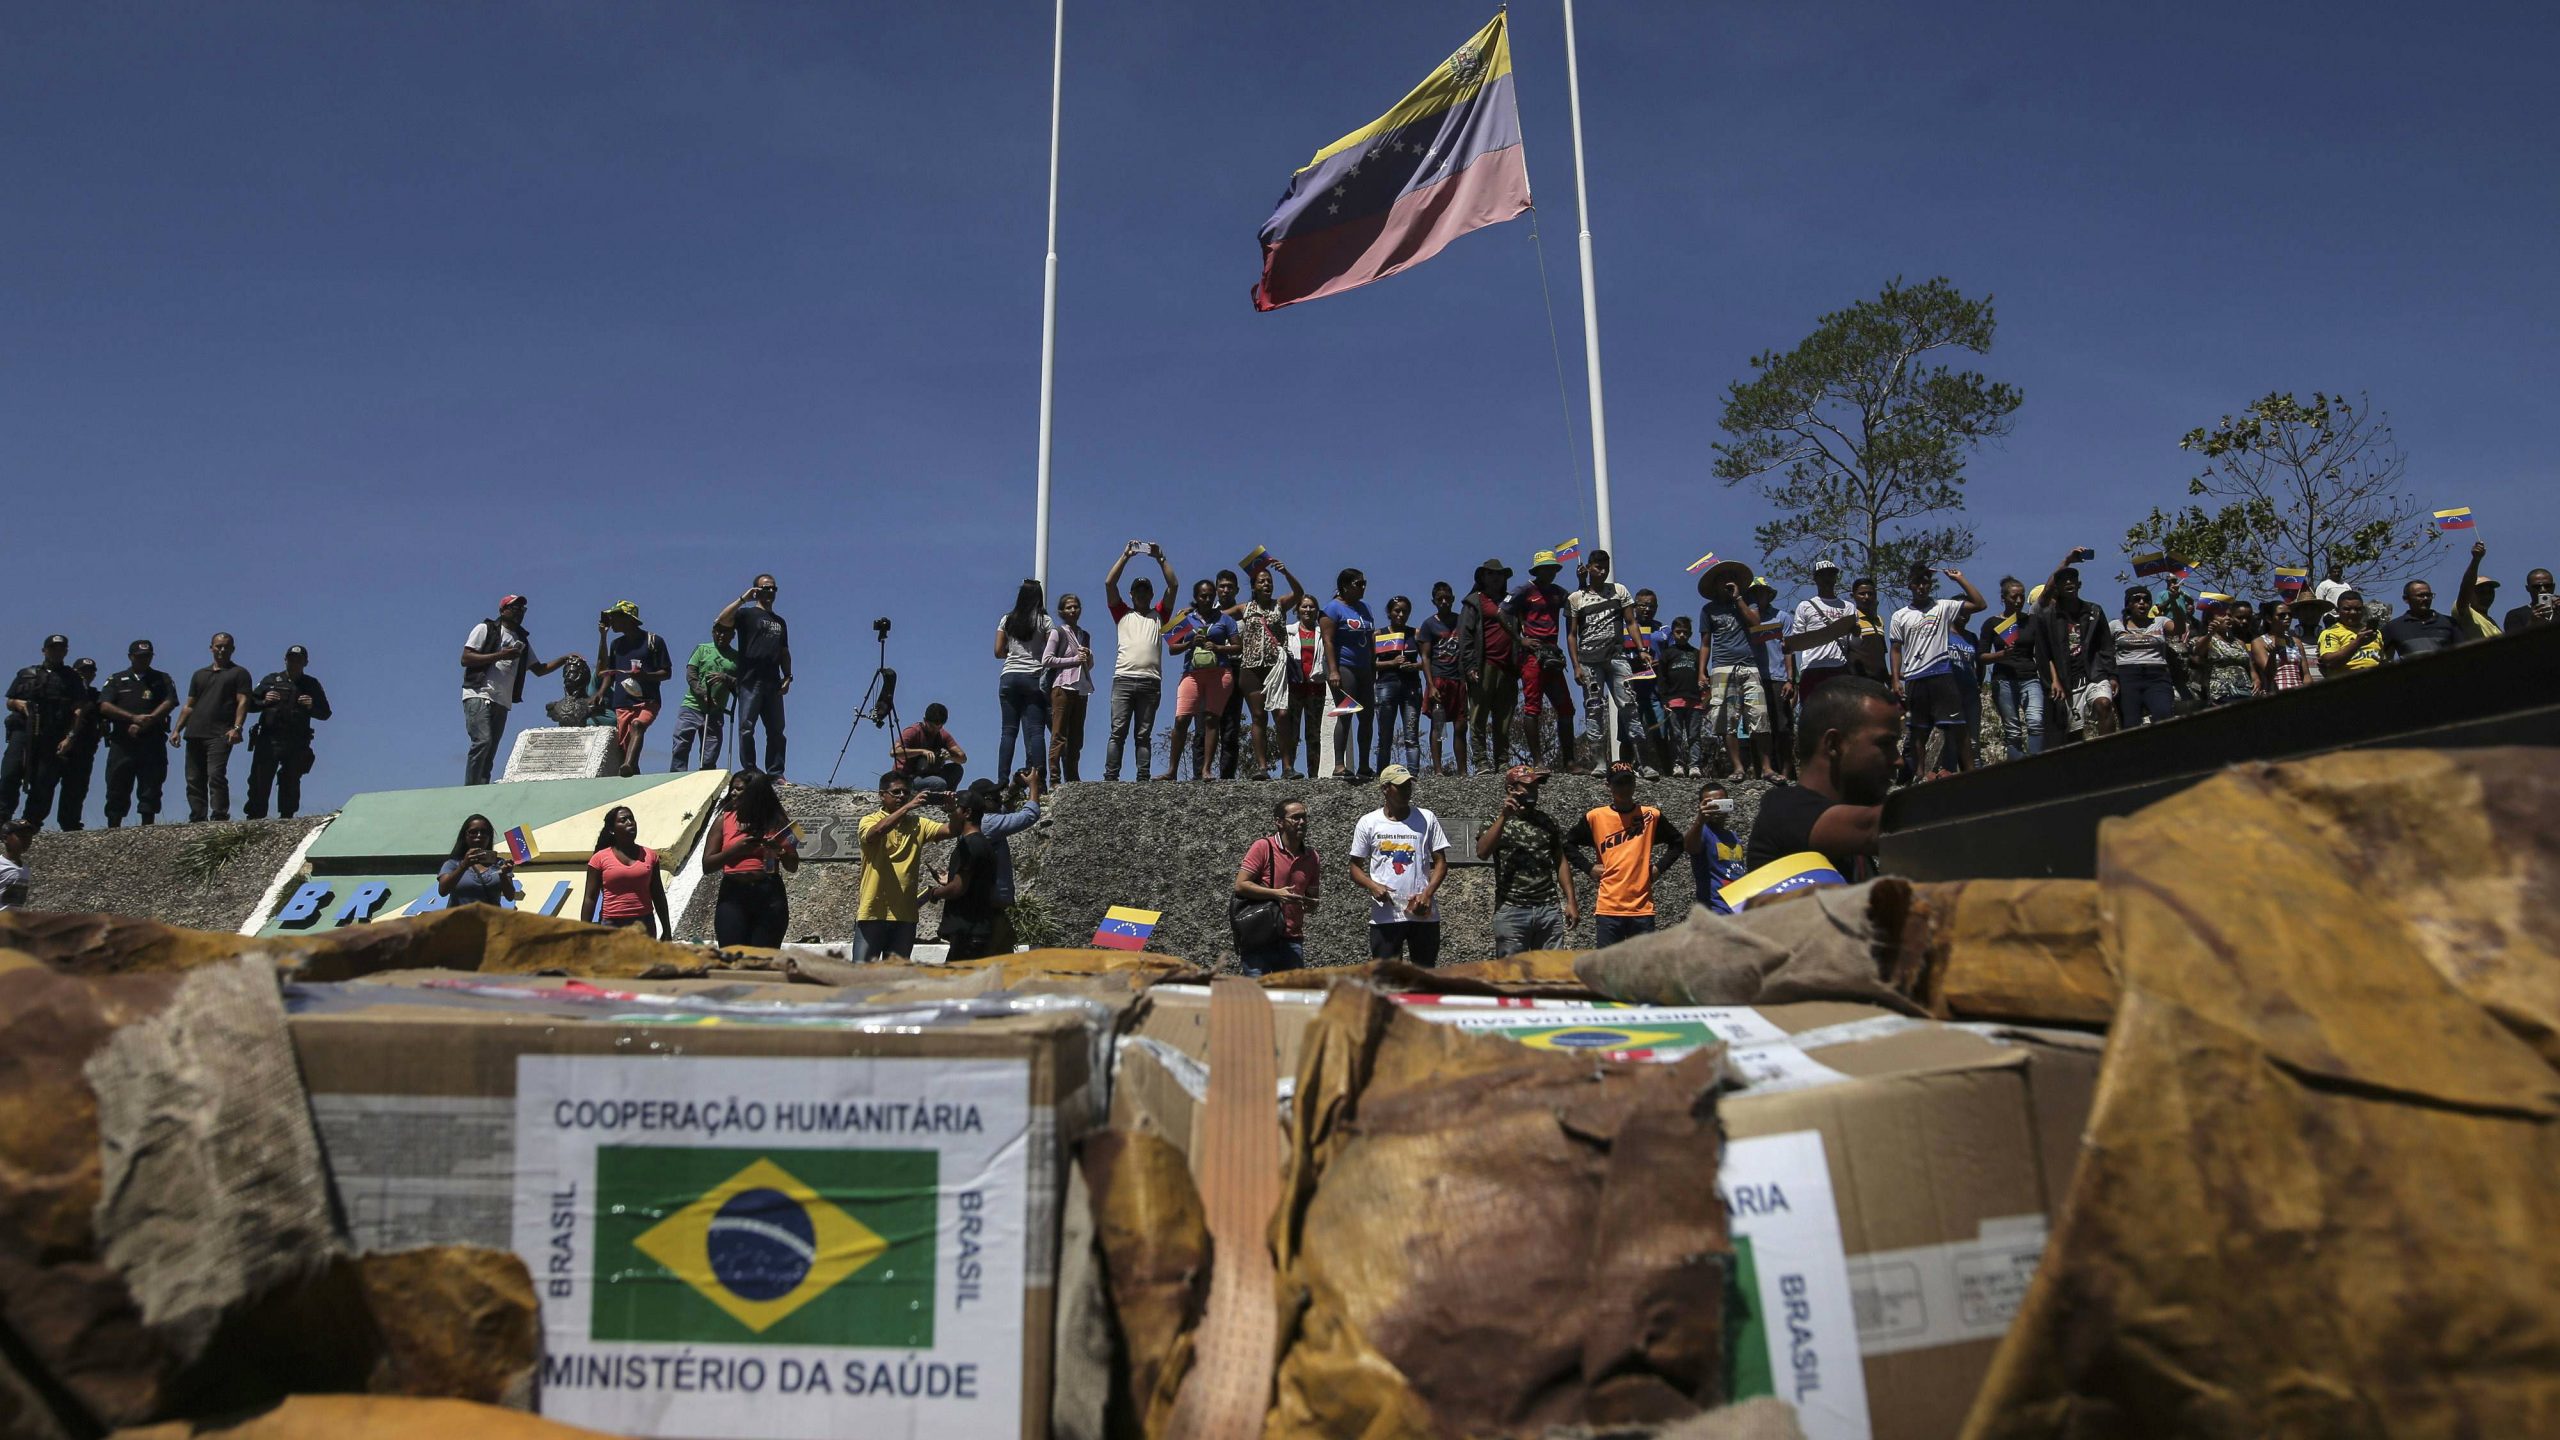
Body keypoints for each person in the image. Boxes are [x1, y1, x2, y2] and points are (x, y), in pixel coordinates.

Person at [1747, 676, 1899, 879]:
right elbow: (1881, 828)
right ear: (1834, 744)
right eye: (1885, 744)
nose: (1899, 761)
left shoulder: (1853, 851)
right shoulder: (1784, 810)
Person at [1889, 565, 1990, 779]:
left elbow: (1980, 604)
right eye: (1917, 583)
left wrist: (1960, 579)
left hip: (1942, 674)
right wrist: (1896, 679)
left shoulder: (1943, 606)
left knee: (1958, 726)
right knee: (1918, 730)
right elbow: (1896, 649)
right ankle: (1919, 776)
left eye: (1926, 582)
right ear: (1910, 585)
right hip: (1915, 676)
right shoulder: (1900, 616)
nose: (1921, 587)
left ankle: (1971, 774)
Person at [461, 595, 573, 786]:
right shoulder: (486, 629)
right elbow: (466, 658)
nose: (519, 612)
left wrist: (565, 659)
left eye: (523, 609)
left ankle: (480, 788)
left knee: (491, 749)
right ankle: (469, 789)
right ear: (503, 610)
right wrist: (500, 655)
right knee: (483, 741)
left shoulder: (522, 640)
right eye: (515, 608)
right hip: (479, 693)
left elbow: (539, 669)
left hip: (502, 700)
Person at [1568, 762, 1683, 947]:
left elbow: (1677, 842)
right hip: (1608, 909)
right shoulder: (1595, 817)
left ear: (1635, 784)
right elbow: (1568, 844)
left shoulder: (1650, 816)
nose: (1624, 788)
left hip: (1642, 909)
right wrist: (1588, 868)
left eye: (1628, 782)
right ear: (1608, 785)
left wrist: (1658, 868)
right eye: (1619, 783)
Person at [1347, 763, 1448, 965]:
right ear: (1385, 789)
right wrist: (1373, 886)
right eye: (1400, 786)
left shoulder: (1426, 817)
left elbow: (1441, 862)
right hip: (1386, 916)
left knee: (1424, 978)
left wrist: (1427, 893)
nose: (1406, 791)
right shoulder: (1368, 822)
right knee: (1387, 981)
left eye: (1409, 786)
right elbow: (1354, 867)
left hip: (1423, 914)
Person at [1476, 763, 1579, 955]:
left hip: (1548, 909)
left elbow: (1560, 861)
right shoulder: (1494, 821)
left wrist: (1571, 901)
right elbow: (1482, 852)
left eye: (1536, 786)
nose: (1534, 791)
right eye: (1528, 786)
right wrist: (1503, 817)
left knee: (1550, 975)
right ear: (1511, 789)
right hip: (1512, 911)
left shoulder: (1547, 821)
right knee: (1513, 978)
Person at [855, 768, 950, 963]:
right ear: (882, 796)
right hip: (873, 912)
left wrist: (953, 809)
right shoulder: (869, 820)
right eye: (896, 792)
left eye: (906, 793)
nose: (902, 796)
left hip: (905, 916)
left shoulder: (918, 823)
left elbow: (951, 830)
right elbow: (875, 832)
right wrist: (908, 807)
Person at [1226, 560, 1305, 784]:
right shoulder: (1244, 608)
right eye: (1262, 581)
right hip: (1251, 667)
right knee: (1258, 716)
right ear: (1254, 586)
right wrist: (1193, 613)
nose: (1267, 584)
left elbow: (1299, 593)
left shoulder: (1280, 604)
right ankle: (1262, 767)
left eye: (1269, 581)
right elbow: (1219, 616)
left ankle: (1288, 766)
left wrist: (1285, 571)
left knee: (1281, 716)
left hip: (1276, 667)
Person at [1104, 543, 1176, 782]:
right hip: (1123, 679)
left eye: (1146, 591)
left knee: (1143, 734)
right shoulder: (1122, 613)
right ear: (1132, 595)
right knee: (1117, 732)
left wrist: (1160, 557)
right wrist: (1125, 556)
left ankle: (1142, 776)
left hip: (1150, 681)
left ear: (1151, 595)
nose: (1142, 595)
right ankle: (1111, 776)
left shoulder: (1160, 616)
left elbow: (1173, 585)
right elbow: (1109, 584)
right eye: (1138, 591)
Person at [1566, 550, 1643, 774]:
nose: (1602, 570)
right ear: (1588, 567)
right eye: (1598, 566)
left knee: (1629, 705)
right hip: (1589, 660)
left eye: (1606, 566)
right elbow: (1571, 634)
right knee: (1594, 708)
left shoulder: (1619, 590)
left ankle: (1642, 760)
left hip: (1617, 657)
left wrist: (1641, 649)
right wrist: (1576, 666)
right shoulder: (1576, 598)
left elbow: (1631, 621)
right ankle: (1599, 761)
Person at [703, 769, 797, 947]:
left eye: (739, 789)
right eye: (733, 788)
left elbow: (793, 865)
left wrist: (780, 851)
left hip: (768, 893)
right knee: (732, 956)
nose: (732, 793)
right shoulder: (723, 820)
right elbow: (707, 865)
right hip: (733, 894)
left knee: (763, 958)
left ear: (755, 792)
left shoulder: (778, 820)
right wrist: (735, 850)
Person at [712, 575, 793, 780]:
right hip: (749, 680)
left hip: (773, 681)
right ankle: (750, 769)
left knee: (776, 730)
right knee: (746, 727)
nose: (770, 592)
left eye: (774, 588)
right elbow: (722, 620)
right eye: (765, 588)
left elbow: (784, 651)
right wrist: (743, 598)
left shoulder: (780, 622)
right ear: (756, 589)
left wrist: (788, 676)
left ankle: (776, 772)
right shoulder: (747, 614)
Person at [2029, 558, 2114, 748]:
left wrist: (2111, 675)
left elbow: (2106, 645)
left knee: (2104, 704)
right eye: (2063, 581)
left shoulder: (2094, 611)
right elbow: (2044, 653)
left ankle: (2110, 751)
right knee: (2072, 733)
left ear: (2079, 584)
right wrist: (2054, 680)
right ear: (2056, 588)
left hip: (2093, 673)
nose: (2068, 583)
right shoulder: (2047, 616)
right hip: (2066, 679)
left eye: (2072, 580)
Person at [1699, 573, 1776, 782]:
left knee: (1759, 716)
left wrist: (1738, 599)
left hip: (1749, 666)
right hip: (1722, 667)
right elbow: (1706, 643)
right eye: (1721, 581)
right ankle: (1738, 768)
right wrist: (1701, 671)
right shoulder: (1708, 610)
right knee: (1726, 719)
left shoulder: (1747, 602)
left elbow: (1756, 622)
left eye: (1729, 580)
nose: (1725, 584)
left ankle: (1767, 768)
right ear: (1714, 585)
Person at [169, 633, 252, 824]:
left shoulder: (239, 673)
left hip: (220, 733)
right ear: (211, 648)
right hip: (195, 732)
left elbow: (243, 701)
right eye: (218, 646)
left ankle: (219, 815)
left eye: (226, 646)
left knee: (215, 774)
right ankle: (197, 817)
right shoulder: (200, 675)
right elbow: (189, 705)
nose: (222, 650)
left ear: (232, 649)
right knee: (193, 777)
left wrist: (237, 727)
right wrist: (177, 730)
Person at [1232, 798, 1322, 974]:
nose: (1302, 822)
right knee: (1258, 998)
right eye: (1295, 818)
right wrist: (1275, 894)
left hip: (1292, 939)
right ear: (1279, 822)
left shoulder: (1312, 857)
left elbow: (1311, 899)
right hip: (1260, 937)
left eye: (1304, 817)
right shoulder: (1263, 847)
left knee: (1292, 997)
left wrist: (1311, 904)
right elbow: (1241, 885)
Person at [1165, 579, 1241, 782]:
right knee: (1181, 719)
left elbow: (1237, 647)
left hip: (1220, 672)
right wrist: (1190, 643)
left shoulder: (1225, 619)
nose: (1207, 599)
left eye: (1210, 596)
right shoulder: (1185, 618)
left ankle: (1206, 769)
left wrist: (1218, 648)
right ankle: (1171, 770)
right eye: (1203, 596)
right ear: (1196, 597)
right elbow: (1172, 649)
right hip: (1191, 673)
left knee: (1211, 719)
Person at [243, 646, 331, 821]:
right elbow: (249, 704)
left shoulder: (311, 684)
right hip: (269, 738)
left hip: (297, 741)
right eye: (291, 658)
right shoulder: (271, 680)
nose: (294, 662)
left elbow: (326, 713)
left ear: (305, 662)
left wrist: (311, 706)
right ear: (285, 660)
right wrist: (264, 701)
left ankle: (286, 817)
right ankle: (255, 817)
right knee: (260, 779)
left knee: (291, 780)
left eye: (298, 659)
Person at [2, 635, 81, 828]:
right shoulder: (27, 673)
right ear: (44, 650)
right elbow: (10, 701)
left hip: (52, 734)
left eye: (61, 649)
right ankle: (3, 818)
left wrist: (70, 737)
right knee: (10, 773)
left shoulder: (71, 678)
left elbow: (79, 709)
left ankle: (30, 823)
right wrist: (20, 705)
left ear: (66, 652)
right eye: (53, 648)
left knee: (44, 780)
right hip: (24, 731)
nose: (57, 652)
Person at [97, 640, 176, 828]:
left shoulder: (161, 678)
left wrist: (148, 720)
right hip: (122, 741)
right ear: (131, 657)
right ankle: (114, 824)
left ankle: (147, 824)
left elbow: (170, 701)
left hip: (152, 740)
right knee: (117, 782)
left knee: (151, 782)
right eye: (140, 657)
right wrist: (133, 718)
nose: (144, 660)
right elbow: (105, 705)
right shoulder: (117, 679)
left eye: (148, 656)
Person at [1508, 552, 1576, 771]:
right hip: (1532, 655)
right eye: (1545, 568)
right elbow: (1501, 612)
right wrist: (1520, 638)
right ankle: (1538, 761)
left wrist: (1582, 581)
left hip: (1553, 654)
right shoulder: (1524, 590)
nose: (1550, 573)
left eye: (1553, 569)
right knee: (1532, 707)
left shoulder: (1558, 593)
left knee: (1566, 708)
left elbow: (1576, 603)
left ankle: (1569, 761)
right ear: (1537, 570)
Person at [966, 766, 1045, 950]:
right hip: (988, 907)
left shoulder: (981, 820)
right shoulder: (988, 824)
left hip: (987, 905)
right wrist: (1034, 785)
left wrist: (1015, 787)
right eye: (995, 797)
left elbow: (1003, 809)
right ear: (983, 803)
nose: (1000, 800)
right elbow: (1029, 815)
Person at [924, 788, 1004, 962]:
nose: (950, 815)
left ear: (967, 813)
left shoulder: (971, 845)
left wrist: (933, 894)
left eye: (954, 810)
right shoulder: (981, 843)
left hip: (968, 934)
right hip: (974, 931)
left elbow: (958, 888)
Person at [1456, 559, 1521, 770]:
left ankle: (1502, 761)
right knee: (1478, 714)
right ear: (1483, 577)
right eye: (1491, 574)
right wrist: (1469, 666)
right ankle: (1481, 760)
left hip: (1508, 665)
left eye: (1499, 575)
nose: (1496, 578)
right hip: (1483, 663)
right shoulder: (1473, 602)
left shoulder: (1511, 601)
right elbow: (1465, 636)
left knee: (1504, 716)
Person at [992, 579, 1052, 781]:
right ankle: (1039, 778)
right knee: (1036, 731)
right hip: (1033, 677)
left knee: (1008, 732)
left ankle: (1002, 779)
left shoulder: (1007, 619)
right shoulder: (1045, 621)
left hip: (1009, 676)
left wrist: (1012, 652)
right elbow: (1052, 650)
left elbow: (998, 651)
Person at [1321, 569, 1379, 782]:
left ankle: (1364, 764)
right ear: (1345, 586)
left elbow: (1371, 638)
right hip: (1344, 666)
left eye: (1365, 583)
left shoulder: (1365, 608)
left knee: (1367, 716)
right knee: (1346, 713)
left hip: (1364, 667)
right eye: (1359, 583)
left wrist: (1373, 667)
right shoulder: (1332, 609)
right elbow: (1328, 641)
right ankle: (1339, 764)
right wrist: (1333, 670)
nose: (1363, 587)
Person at [580, 805, 671, 936]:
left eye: (631, 819)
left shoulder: (650, 856)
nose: (630, 823)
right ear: (612, 829)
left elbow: (658, 895)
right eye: (623, 820)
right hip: (611, 925)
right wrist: (583, 931)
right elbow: (590, 898)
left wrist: (666, 929)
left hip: (644, 924)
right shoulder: (599, 859)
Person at [1979, 578, 2044, 760]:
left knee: (2036, 721)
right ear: (2003, 598)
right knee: (2012, 728)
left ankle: (2037, 763)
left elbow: (2043, 651)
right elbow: (1981, 656)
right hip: (2004, 679)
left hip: (2030, 677)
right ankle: (2017, 767)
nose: (2018, 601)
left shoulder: (2031, 621)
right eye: (2014, 597)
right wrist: (2000, 655)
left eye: (2021, 597)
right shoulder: (1991, 623)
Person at [1786, 559, 1861, 705]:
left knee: (1839, 714)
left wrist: (1856, 633)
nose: (1827, 579)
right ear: (1815, 579)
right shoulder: (1805, 606)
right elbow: (1797, 640)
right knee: (1812, 715)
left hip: (1839, 667)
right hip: (1812, 667)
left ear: (1835, 578)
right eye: (1822, 575)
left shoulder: (1848, 607)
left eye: (1831, 575)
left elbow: (1855, 644)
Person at [666, 625, 738, 772]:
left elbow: (741, 684)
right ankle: (677, 777)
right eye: (718, 632)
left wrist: (726, 678)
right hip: (692, 706)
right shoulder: (702, 649)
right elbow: (691, 674)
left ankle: (705, 778)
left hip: (716, 711)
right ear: (713, 632)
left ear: (733, 635)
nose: (721, 635)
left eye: (726, 632)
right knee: (681, 742)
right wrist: (704, 694)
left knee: (711, 750)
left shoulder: (736, 658)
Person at [1415, 581, 1470, 776]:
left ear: (1453, 599)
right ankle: (1438, 770)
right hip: (1439, 677)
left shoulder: (1461, 620)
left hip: (1459, 678)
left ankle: (1462, 770)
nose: (1444, 602)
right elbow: (1425, 657)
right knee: (1437, 724)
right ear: (1434, 601)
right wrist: (1430, 685)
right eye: (1440, 599)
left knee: (1461, 724)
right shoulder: (1429, 624)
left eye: (1447, 598)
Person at [1371, 595, 1426, 776]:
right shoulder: (1379, 634)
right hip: (1386, 684)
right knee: (1384, 736)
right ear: (1389, 612)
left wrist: (1415, 666)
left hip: (1411, 685)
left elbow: (1427, 661)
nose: (1401, 615)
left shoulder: (1416, 633)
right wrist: (1391, 663)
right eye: (1397, 611)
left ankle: (1413, 774)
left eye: (1405, 611)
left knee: (1411, 734)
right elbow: (1371, 664)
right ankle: (1382, 775)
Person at [1042, 593, 1095, 783]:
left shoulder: (1084, 635)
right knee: (1059, 734)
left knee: (1076, 736)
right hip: (1062, 687)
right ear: (1062, 611)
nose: (1073, 610)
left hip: (1080, 689)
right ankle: (1055, 778)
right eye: (1069, 607)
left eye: (1076, 607)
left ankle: (1072, 776)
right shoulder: (1058, 632)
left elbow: (1089, 665)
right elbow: (1047, 660)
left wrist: (1087, 656)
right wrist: (1074, 659)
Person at [49, 658, 100, 831]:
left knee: (77, 787)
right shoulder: (65, 691)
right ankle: (34, 820)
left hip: (84, 747)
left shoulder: (95, 695)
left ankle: (70, 823)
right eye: (82, 671)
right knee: (46, 783)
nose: (86, 675)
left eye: (90, 671)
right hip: (59, 743)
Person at [1281, 594, 1328, 779]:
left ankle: (1313, 774)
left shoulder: (1322, 633)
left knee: (1314, 733)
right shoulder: (1288, 631)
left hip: (1316, 687)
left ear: (1317, 611)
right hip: (1294, 687)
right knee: (1292, 732)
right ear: (1297, 610)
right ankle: (1289, 769)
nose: (1308, 610)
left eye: (1311, 607)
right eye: (1304, 607)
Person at [1685, 783, 1747, 916]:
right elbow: (1690, 847)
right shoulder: (1702, 832)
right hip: (1716, 910)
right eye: (1711, 803)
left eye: (1720, 802)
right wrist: (1699, 821)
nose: (1716, 807)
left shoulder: (1733, 836)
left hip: (1739, 910)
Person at [437, 814, 522, 907]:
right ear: (465, 836)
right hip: (460, 920)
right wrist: (463, 866)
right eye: (473, 832)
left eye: (484, 832)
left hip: (490, 920)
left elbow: (510, 896)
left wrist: (503, 874)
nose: (479, 836)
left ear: (490, 836)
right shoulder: (452, 864)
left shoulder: (499, 863)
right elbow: (443, 891)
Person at [1655, 616, 1704, 777]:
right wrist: (1664, 699)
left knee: (1694, 735)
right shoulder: (1667, 654)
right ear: (1673, 634)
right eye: (1678, 632)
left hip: (1694, 700)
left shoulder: (1696, 654)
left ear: (1690, 634)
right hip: (1674, 700)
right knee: (1675, 735)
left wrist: (1705, 696)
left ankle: (1695, 765)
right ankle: (1677, 764)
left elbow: (1703, 676)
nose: (1682, 635)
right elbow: (1662, 678)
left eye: (1685, 632)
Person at [2382, 576, 2463, 660]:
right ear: (2406, 599)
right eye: (2420, 595)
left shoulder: (2449, 623)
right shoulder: (2394, 627)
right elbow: (2377, 655)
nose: (2426, 599)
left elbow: (2463, 654)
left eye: (2428, 595)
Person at [2193, 602, 2257, 707]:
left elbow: (2249, 666)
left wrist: (2256, 679)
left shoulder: (2239, 643)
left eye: (2229, 615)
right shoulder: (2205, 640)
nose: (2227, 618)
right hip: (2222, 695)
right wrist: (2210, 634)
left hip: (2245, 692)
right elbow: (2198, 652)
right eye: (2222, 615)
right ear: (2210, 620)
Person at [894, 703, 968, 791]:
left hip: (930, 773)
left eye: (939, 727)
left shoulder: (942, 735)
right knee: (939, 783)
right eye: (932, 727)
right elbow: (895, 752)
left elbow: (962, 758)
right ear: (925, 720)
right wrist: (922, 751)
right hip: (908, 777)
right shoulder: (913, 731)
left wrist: (949, 756)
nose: (935, 730)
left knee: (957, 770)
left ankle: (947, 799)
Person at [2253, 601, 2320, 694]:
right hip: (2276, 695)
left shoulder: (2296, 641)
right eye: (2282, 615)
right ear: (2269, 619)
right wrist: (2272, 654)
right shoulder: (2259, 642)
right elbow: (2269, 674)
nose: (2287, 618)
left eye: (2289, 615)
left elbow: (2306, 674)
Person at [2318, 592, 2385, 675]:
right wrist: (2358, 642)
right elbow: (2330, 663)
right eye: (2347, 609)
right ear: (2338, 611)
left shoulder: (2375, 632)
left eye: (2357, 609)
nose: (2353, 612)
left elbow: (2382, 660)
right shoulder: (2330, 633)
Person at [2447, 540, 2497, 642]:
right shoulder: (2465, 613)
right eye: (2481, 591)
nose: (2486, 595)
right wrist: (2476, 560)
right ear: (2471, 593)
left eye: (2490, 591)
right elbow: (2466, 588)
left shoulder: (2492, 623)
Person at [2504, 568, 2557, 633]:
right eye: (2537, 587)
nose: (2543, 590)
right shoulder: (2515, 615)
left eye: (2547, 586)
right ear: (2528, 588)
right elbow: (2514, 641)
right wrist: (2532, 623)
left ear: (2553, 586)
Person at [0, 818, 37, 909]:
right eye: (22, 836)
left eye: (30, 837)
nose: (27, 840)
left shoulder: (25, 870)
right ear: (5, 838)